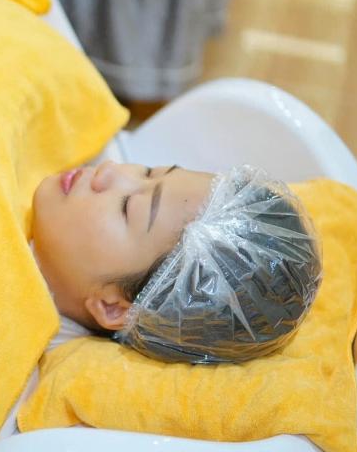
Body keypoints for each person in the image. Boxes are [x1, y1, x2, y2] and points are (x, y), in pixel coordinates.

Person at [30, 142, 322, 364]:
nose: (109, 169)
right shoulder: (96, 147)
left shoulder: (21, 342)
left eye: (127, 207)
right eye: (149, 172)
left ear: (113, 308)